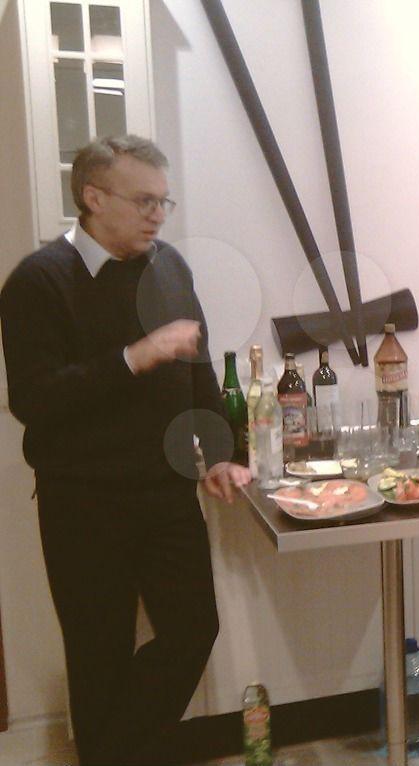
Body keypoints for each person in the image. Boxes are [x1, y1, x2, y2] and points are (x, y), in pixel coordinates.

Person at [0, 135, 251, 765]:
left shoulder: (170, 266)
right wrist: (132, 359)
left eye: (165, 202)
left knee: (194, 630)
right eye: (144, 201)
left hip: (166, 492)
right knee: (97, 654)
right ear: (93, 197)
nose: (158, 216)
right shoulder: (37, 280)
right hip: (82, 502)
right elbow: (33, 399)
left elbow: (196, 371)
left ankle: (113, 755)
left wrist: (221, 451)